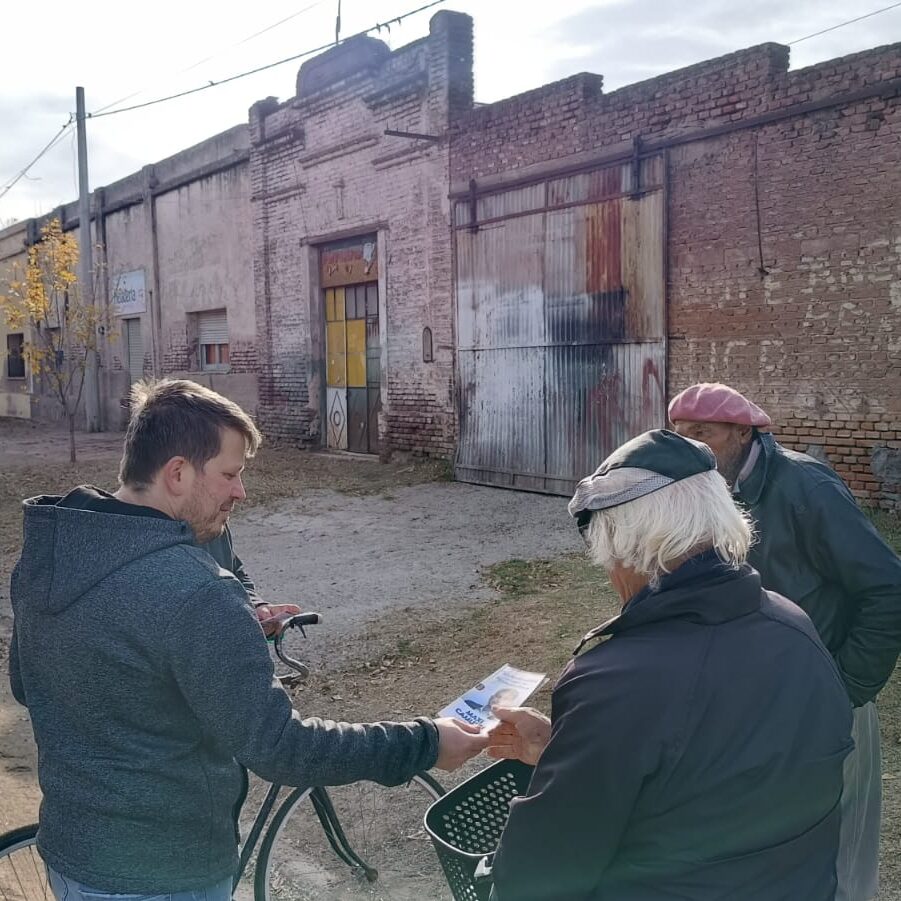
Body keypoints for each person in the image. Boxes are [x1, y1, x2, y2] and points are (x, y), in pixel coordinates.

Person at [9, 379, 487, 900]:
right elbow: (280, 749)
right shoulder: (197, 593)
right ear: (177, 473)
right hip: (164, 875)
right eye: (230, 475)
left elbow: (26, 682)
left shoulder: (53, 553)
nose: (241, 492)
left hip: (71, 857)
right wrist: (428, 741)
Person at [486, 429, 854, 900]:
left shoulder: (615, 681)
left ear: (624, 545)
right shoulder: (794, 626)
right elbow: (717, 779)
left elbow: (535, 875)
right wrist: (563, 752)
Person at [669, 381, 901, 901]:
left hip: (826, 694)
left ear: (743, 431)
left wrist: (846, 687)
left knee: (836, 844)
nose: (691, 447)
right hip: (756, 701)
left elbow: (888, 589)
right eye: (680, 435)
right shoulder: (709, 489)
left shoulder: (806, 487)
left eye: (702, 434)